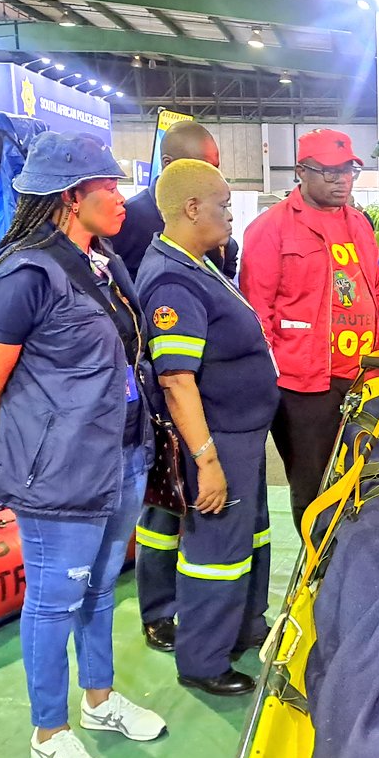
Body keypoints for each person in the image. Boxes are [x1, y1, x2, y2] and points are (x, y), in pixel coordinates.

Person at [0, 131, 166, 758]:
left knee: (101, 588)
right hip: (61, 477)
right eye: (108, 185)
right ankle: (48, 735)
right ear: (70, 196)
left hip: (122, 458)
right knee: (53, 602)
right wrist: (7, 462)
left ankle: (98, 701)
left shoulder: (101, 260)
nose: (122, 197)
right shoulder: (24, 274)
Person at [135, 160, 280, 696]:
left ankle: (242, 625)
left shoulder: (195, 263)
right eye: (222, 204)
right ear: (191, 208)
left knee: (246, 537)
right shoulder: (173, 281)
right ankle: (203, 658)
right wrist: (208, 461)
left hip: (239, 434)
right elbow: (177, 381)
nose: (229, 215)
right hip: (218, 439)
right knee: (216, 550)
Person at [240, 128, 379, 531]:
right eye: (328, 172)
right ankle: (316, 569)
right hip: (305, 386)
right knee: (312, 487)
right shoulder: (269, 229)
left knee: (364, 478)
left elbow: (377, 290)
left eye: (347, 171)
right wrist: (268, 380)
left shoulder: (360, 225)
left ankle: (352, 566)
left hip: (365, 376)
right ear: (300, 171)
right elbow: (258, 313)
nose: (340, 179)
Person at [116, 121, 235, 656]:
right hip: (165, 386)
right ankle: (159, 609)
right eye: (207, 164)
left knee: (189, 504)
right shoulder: (133, 221)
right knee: (163, 505)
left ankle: (183, 604)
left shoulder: (212, 221)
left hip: (200, 386)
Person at [111, 121, 236, 281]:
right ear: (168, 163)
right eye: (202, 166)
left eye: (215, 167)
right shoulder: (129, 218)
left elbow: (229, 251)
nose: (212, 175)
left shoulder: (210, 209)